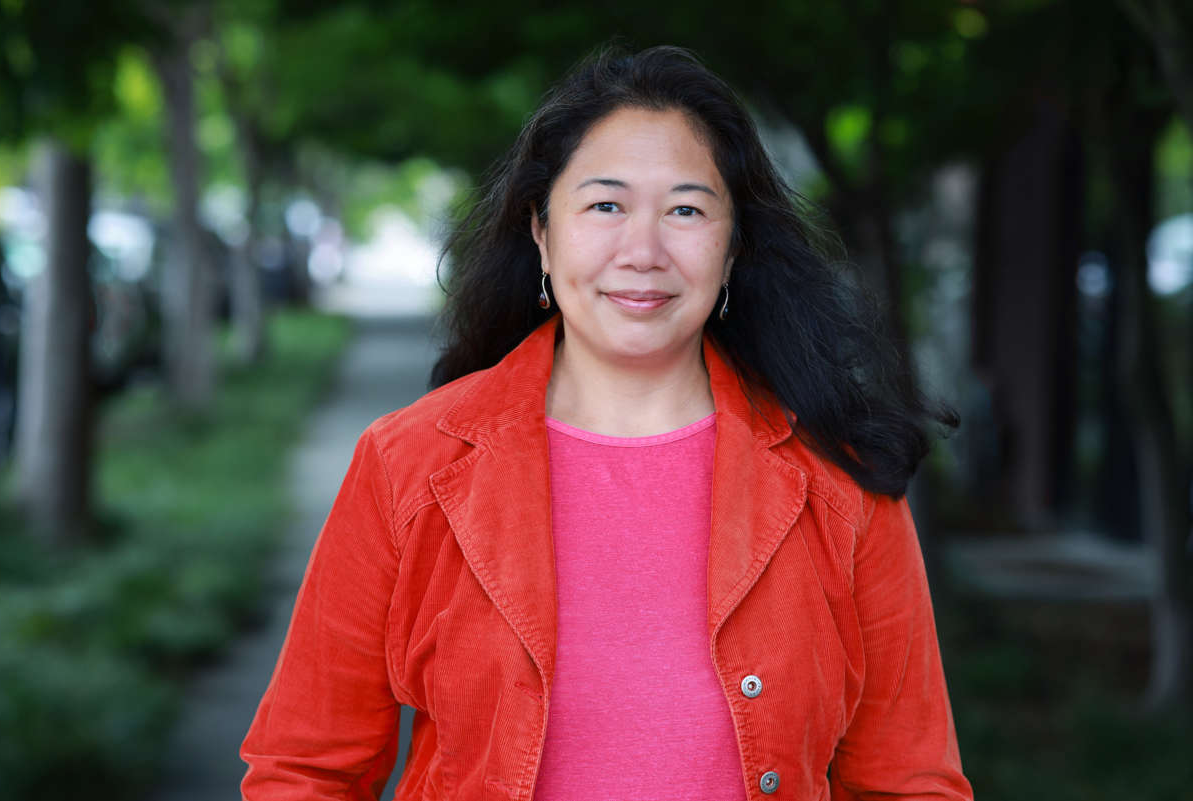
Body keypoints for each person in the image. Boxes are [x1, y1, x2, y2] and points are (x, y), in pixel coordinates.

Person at [241, 45, 973, 801]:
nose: (643, 252)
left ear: (733, 248)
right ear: (541, 232)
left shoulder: (839, 475)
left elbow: (910, 780)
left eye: (686, 210)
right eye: (605, 205)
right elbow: (304, 770)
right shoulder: (408, 465)